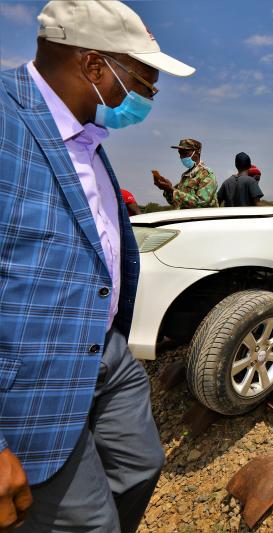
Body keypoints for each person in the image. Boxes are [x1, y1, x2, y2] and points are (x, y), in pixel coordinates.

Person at [0, 1, 194, 531]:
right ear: (93, 66)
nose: (147, 98)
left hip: (103, 352)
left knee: (141, 467)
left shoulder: (86, 140)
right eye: (143, 84)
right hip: (27, 380)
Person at [152, 138, 218, 208]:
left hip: (201, 219)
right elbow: (175, 201)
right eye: (180, 153)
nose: (181, 157)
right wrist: (167, 190)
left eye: (185, 153)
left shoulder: (206, 174)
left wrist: (171, 189)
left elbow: (201, 202)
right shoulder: (186, 176)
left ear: (196, 152)